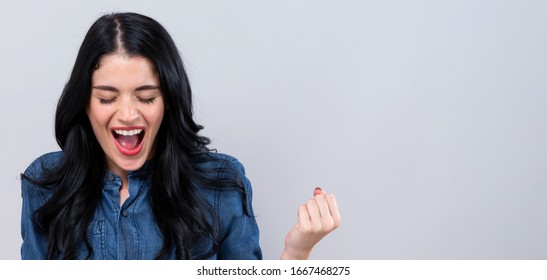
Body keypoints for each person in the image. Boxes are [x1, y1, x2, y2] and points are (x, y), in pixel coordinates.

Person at [20, 12, 340, 260]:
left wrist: (298, 253)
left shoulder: (220, 183)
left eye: (146, 97)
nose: (128, 114)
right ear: (85, 103)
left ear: (168, 101)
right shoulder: (46, 184)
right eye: (107, 98)